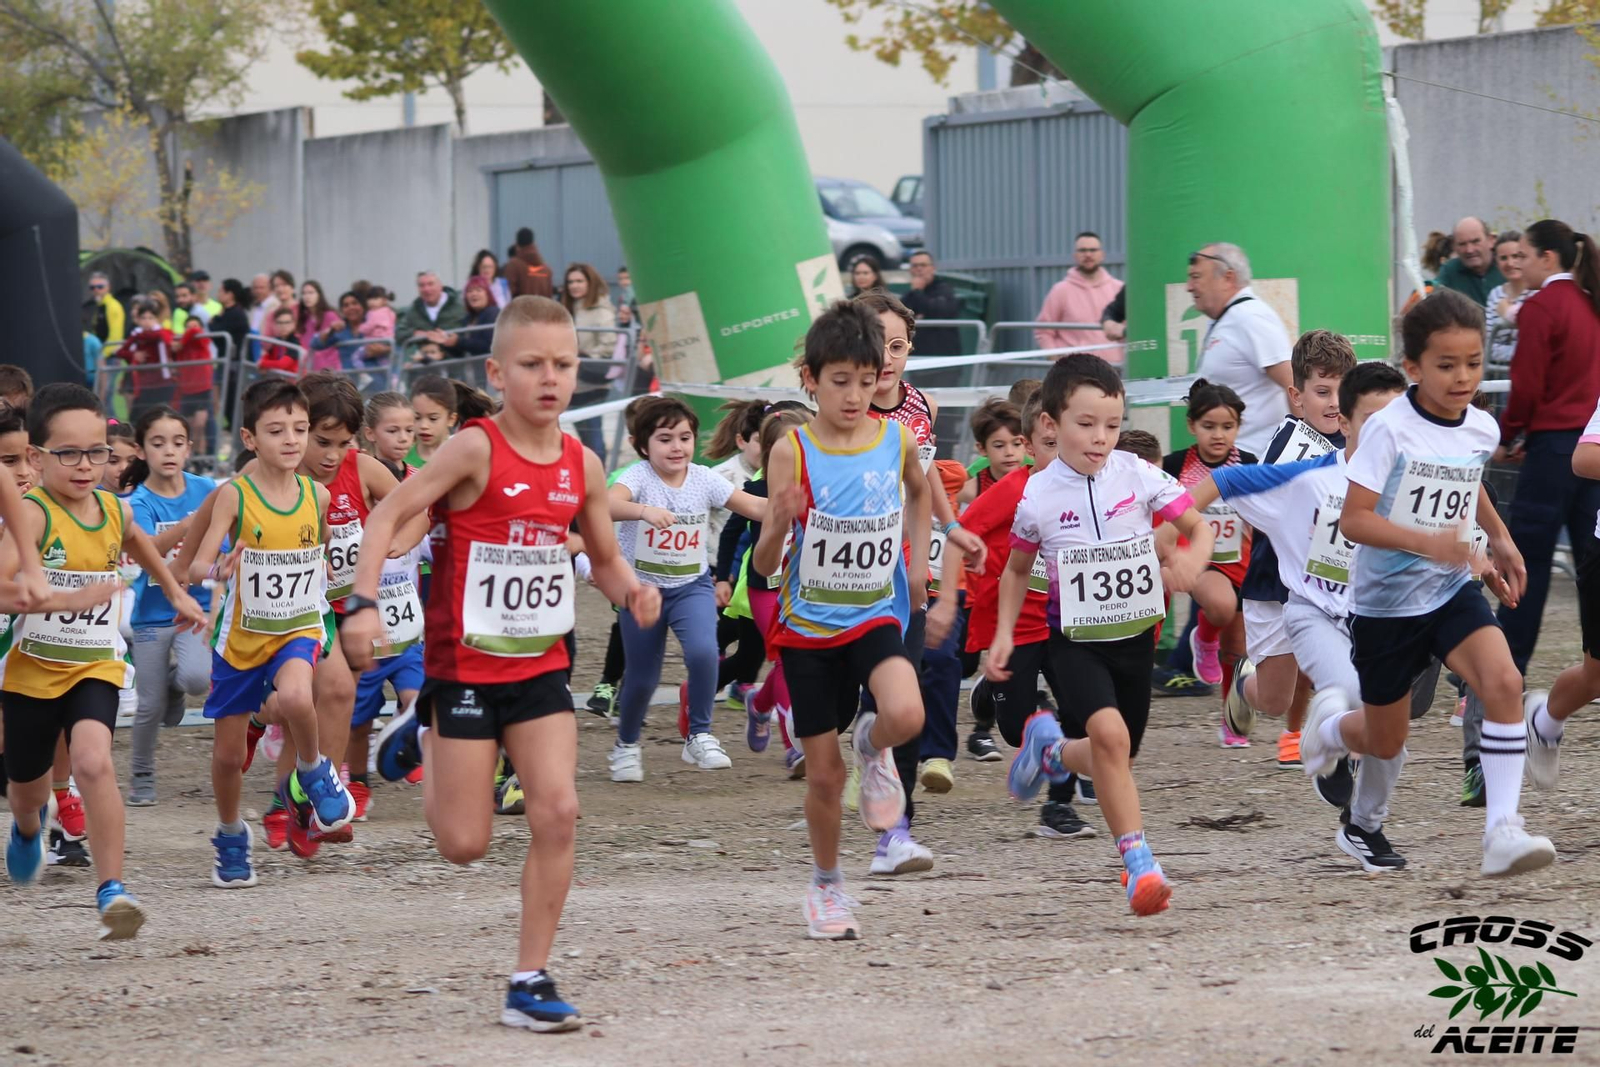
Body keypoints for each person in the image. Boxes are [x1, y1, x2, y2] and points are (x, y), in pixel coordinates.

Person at [350, 295, 659, 1031]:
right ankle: (422, 728)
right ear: (497, 370)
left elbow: (606, 562)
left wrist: (634, 593)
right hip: (462, 670)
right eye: (532, 364)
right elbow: (387, 516)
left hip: (540, 667)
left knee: (557, 811)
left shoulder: (582, 462)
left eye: (564, 363)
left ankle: (529, 978)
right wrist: (363, 601)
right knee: (464, 845)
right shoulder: (474, 449)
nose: (550, 378)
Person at [1304, 289, 1550, 877]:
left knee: (1504, 681)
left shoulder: (1482, 428)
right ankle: (1333, 736)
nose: (1463, 376)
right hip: (1386, 609)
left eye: (1473, 362)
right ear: (1413, 368)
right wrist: (1429, 542)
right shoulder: (1389, 429)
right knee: (1385, 741)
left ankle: (1502, 832)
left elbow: (1466, 484)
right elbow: (1355, 520)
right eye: (1446, 365)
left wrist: (1500, 541)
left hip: (1447, 590)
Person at [995, 354, 1214, 915]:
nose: (1099, 438)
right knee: (1112, 742)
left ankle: (1051, 751)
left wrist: (1192, 563)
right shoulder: (1038, 495)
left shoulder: (1137, 475)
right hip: (1072, 643)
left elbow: (1197, 525)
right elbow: (1017, 570)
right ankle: (1138, 865)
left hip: (1136, 641)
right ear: (1051, 423)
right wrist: (1003, 636)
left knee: (1118, 754)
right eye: (1085, 424)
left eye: (1111, 426)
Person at [752, 298, 930, 940]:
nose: (855, 395)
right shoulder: (792, 451)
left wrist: (916, 562)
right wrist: (776, 521)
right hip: (808, 630)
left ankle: (872, 743)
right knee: (824, 777)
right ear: (811, 379)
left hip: (875, 613)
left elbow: (920, 490)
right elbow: (768, 564)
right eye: (839, 382)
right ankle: (827, 886)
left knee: (906, 715)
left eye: (866, 379)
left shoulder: (896, 438)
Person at [1190, 361, 1411, 871]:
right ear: (1346, 425)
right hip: (1311, 609)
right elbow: (1226, 479)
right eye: (1372, 420)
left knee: (1391, 738)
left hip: (1375, 620)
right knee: (1324, 698)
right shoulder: (1308, 474)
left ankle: (1365, 826)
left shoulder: (1410, 482)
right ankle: (1321, 731)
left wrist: (1486, 554)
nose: (1386, 434)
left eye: (1395, 422)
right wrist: (1172, 529)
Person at [2, 383, 203, 938]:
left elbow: (140, 543)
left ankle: (113, 888)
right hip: (32, 672)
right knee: (27, 791)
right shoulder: (33, 515)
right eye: (69, 454)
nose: (86, 465)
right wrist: (59, 598)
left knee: (93, 762)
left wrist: (179, 591)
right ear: (38, 458)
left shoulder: (113, 508)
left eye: (98, 452)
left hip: (95, 664)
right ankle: (25, 830)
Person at [185, 378, 358, 888]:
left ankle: (313, 770)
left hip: (297, 627)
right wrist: (218, 569)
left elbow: (322, 543)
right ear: (249, 437)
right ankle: (231, 831)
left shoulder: (318, 495)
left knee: (301, 697)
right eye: (276, 430)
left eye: (300, 430)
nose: (292, 440)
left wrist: (322, 567)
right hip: (241, 638)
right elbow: (196, 565)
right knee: (226, 757)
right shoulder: (234, 497)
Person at [606, 396, 766, 779]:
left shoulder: (704, 478)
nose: (677, 447)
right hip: (641, 590)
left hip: (690, 586)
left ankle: (700, 736)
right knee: (643, 676)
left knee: (703, 653)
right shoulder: (638, 477)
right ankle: (626, 746)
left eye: (684, 437)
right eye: (665, 439)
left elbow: (755, 509)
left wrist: (792, 504)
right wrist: (643, 511)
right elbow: (606, 504)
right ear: (643, 445)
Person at [1495, 220, 1600, 674]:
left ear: (1547, 258)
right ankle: (1593, 666)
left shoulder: (1541, 308)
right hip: (1593, 448)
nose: (1519, 264)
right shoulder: (1591, 302)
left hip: (1553, 449)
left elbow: (1527, 386)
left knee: (1527, 563)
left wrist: (1508, 436)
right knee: (1591, 562)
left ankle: (1503, 670)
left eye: (1524, 256)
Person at [124, 407, 214, 806]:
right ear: (141, 451)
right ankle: (142, 774)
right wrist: (190, 524)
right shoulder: (139, 501)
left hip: (196, 608)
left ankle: (176, 687)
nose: (169, 451)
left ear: (189, 447)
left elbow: (222, 541)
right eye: (157, 444)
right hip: (151, 614)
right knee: (148, 706)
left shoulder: (208, 488)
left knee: (197, 679)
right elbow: (148, 551)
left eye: (177, 443)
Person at [1160, 381, 1257, 746]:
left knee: (1238, 647)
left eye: (1227, 427)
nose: (1218, 435)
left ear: (1238, 427)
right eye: (1209, 426)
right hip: (1197, 563)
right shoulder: (1173, 466)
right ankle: (1203, 636)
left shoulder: (1248, 464)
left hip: (1241, 563)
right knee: (1219, 605)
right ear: (1192, 426)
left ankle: (1231, 723)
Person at [1188, 242, 1292, 455]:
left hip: (1254, 463)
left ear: (1228, 278)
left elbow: (1294, 385)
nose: (1189, 286)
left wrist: (1296, 453)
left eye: (1197, 277)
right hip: (1231, 464)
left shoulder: (1250, 316)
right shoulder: (1227, 318)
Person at [559, 263, 619, 461]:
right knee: (583, 437)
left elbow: (608, 346)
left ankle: (599, 481)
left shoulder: (601, 310)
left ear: (589, 282)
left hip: (591, 380)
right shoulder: (567, 309)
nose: (574, 285)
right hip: (571, 381)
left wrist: (582, 356)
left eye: (579, 281)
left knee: (593, 437)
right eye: (570, 282)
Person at [1034, 232, 1124, 362]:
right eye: (1083, 250)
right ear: (1075, 256)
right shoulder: (1060, 291)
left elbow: (1131, 330)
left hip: (1113, 371)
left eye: (1093, 250)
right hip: (1074, 373)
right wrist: (1056, 362)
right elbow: (1044, 331)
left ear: (1102, 255)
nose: (1088, 254)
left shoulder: (1119, 288)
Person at [901, 251, 962, 357]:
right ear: (910, 270)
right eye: (915, 266)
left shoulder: (944, 289)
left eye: (923, 265)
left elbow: (940, 311)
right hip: (917, 355)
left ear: (933, 268)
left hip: (942, 354)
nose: (919, 269)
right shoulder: (908, 295)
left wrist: (918, 292)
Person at [1435, 217, 1506, 307]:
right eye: (1462, 244)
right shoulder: (1449, 271)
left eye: (1476, 241)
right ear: (1454, 247)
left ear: (1491, 240)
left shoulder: (1507, 265)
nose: (1469, 250)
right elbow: (1429, 297)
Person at [1484, 230, 1527, 370]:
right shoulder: (1495, 295)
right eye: (1503, 258)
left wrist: (1507, 313)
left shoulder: (1538, 293)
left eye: (1516, 256)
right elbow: (1487, 345)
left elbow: (1536, 343)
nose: (1510, 263)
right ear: (1497, 263)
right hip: (1497, 373)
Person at [296, 281, 343, 372]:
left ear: (319, 295)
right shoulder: (304, 319)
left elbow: (339, 337)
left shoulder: (330, 315)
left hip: (329, 368)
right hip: (310, 368)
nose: (307, 296)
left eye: (311, 292)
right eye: (304, 293)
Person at [505, 227, 555, 299]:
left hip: (521, 309)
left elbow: (508, 294)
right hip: (542, 309)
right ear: (533, 242)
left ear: (517, 244)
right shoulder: (547, 270)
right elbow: (550, 297)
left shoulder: (514, 265)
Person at [211, 279, 251, 367]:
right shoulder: (228, 311)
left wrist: (213, 322)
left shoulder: (236, 314)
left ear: (230, 295)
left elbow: (217, 331)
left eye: (221, 291)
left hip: (233, 363)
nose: (218, 294)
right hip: (225, 359)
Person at [458, 277, 501, 358]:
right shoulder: (467, 318)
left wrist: (458, 341)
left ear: (488, 294)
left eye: (478, 290)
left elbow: (489, 346)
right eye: (470, 291)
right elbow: (461, 350)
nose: (474, 294)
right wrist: (447, 342)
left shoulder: (493, 313)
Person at [84, 272, 126, 345]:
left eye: (100, 287)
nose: (96, 290)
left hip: (108, 353)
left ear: (108, 287)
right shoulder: (99, 305)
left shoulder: (112, 306)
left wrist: (103, 354)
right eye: (92, 287)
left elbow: (115, 338)